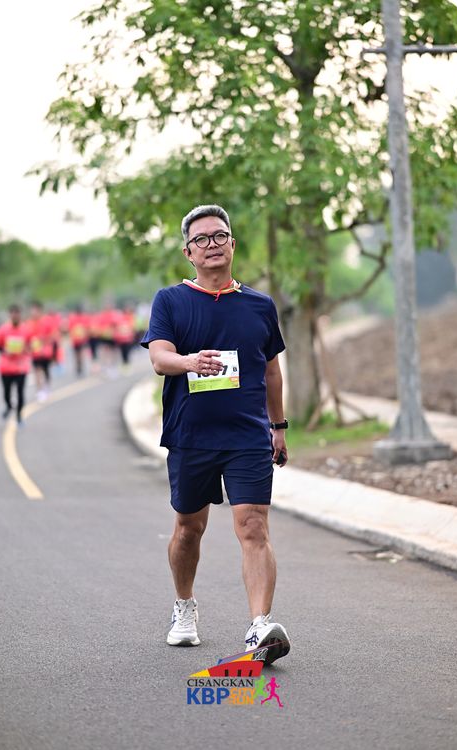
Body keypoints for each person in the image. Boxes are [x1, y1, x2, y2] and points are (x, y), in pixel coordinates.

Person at [141, 204, 291, 665]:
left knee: (254, 526)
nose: (212, 244)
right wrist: (189, 362)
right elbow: (159, 358)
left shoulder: (260, 305)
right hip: (191, 435)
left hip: (248, 436)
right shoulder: (171, 301)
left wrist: (278, 426)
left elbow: (271, 371)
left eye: (220, 236)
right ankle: (184, 606)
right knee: (189, 529)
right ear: (188, 252)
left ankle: (260, 626)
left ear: (232, 244)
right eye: (201, 239)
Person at [0, 304, 31, 424]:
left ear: (20, 315)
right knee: (6, 393)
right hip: (6, 367)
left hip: (21, 366)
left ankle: (19, 416)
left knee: (20, 392)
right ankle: (9, 406)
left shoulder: (26, 330)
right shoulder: (3, 329)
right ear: (9, 315)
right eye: (13, 313)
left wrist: (26, 349)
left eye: (17, 313)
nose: (15, 315)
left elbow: (32, 346)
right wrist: (5, 351)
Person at [27, 301, 56, 401]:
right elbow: (27, 337)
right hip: (35, 353)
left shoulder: (47, 321)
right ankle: (39, 391)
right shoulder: (29, 323)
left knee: (46, 371)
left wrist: (44, 340)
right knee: (37, 371)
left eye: (35, 311)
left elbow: (53, 335)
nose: (33, 313)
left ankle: (47, 387)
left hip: (46, 352)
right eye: (32, 311)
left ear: (40, 311)